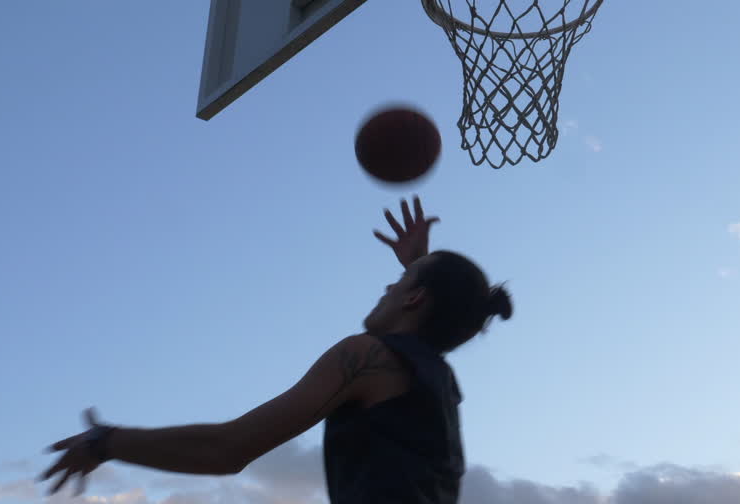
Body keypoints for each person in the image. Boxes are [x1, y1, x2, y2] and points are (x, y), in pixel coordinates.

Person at [39, 197, 512, 502]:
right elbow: (434, 319)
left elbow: (227, 449)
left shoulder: (367, 359)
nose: (387, 286)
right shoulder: (439, 386)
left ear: (414, 298)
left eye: (400, 281)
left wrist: (105, 442)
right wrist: (421, 268)